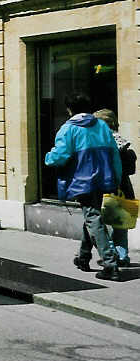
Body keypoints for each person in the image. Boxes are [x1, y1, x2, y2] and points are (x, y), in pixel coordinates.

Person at [45, 93, 122, 281]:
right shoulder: (102, 125)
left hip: (82, 180)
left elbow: (60, 156)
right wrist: (117, 177)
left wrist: (48, 158)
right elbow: (114, 154)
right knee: (92, 216)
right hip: (105, 178)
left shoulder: (68, 129)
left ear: (69, 109)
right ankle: (83, 257)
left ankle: (110, 264)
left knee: (93, 217)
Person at [94, 108, 135, 267]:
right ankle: (122, 256)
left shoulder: (103, 141)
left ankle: (110, 253)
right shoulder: (123, 141)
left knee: (98, 227)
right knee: (120, 227)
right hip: (125, 187)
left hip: (107, 187)